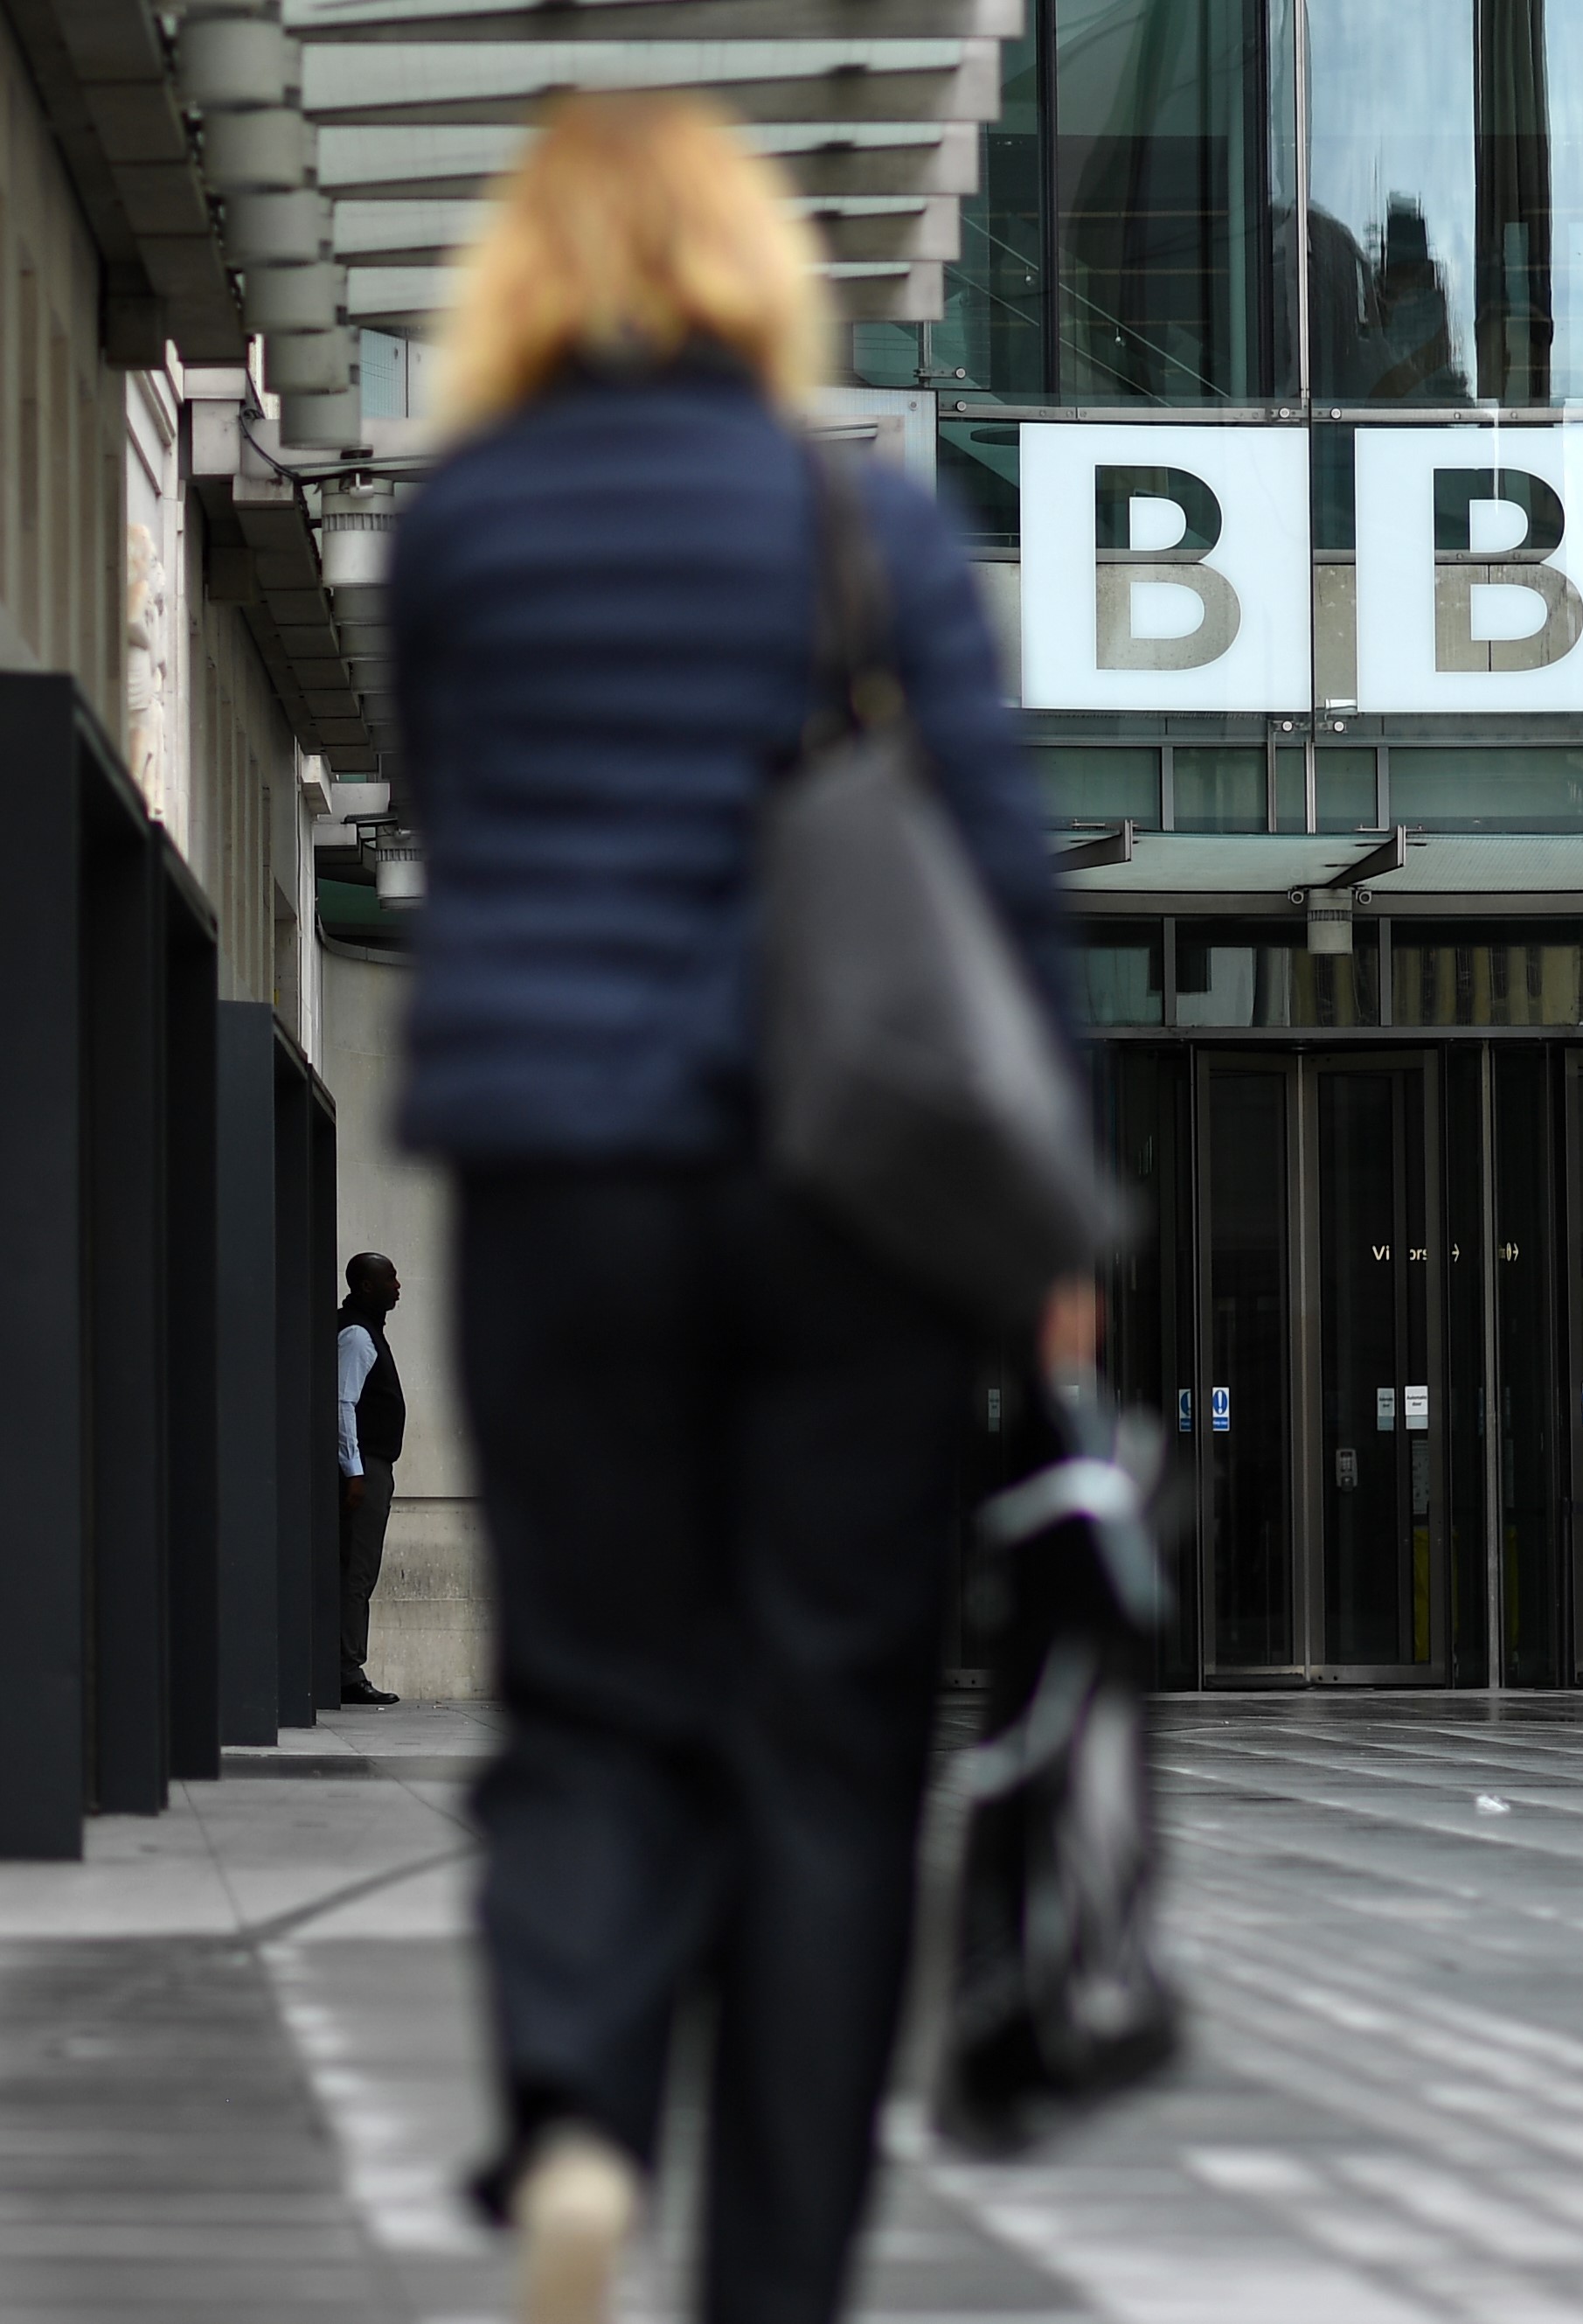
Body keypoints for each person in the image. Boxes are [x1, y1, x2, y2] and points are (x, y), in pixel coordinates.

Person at [387, 91, 1079, 2324]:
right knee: (827, 1726)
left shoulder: (461, 527)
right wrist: (1054, 1228)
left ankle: (581, 2101)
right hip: (838, 1203)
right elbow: (992, 879)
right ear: (751, 270)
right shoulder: (863, 523)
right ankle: (775, 2279)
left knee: (592, 1696)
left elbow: (458, 816)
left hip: (559, 1178)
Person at [335, 1251, 406, 1710]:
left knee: (358, 1571)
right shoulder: (358, 1334)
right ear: (365, 1286)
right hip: (365, 1469)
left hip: (372, 1467)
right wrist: (355, 1471)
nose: (398, 1285)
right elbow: (342, 1404)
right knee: (357, 1572)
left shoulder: (366, 1329)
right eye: (390, 1278)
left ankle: (344, 1666)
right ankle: (346, 1671)